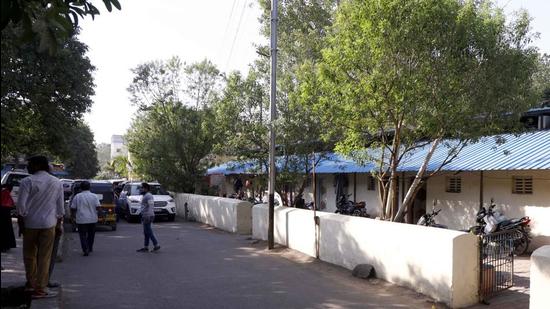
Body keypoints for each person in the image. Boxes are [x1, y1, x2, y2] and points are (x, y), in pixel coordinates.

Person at [17, 156, 64, 299]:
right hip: (49, 224)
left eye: (30, 164)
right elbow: (60, 207)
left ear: (37, 165)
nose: (28, 167)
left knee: (29, 256)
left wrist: (21, 225)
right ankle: (41, 288)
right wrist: (58, 225)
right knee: (45, 257)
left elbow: (21, 207)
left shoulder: (27, 181)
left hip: (30, 224)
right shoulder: (57, 183)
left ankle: (31, 283)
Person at [70, 181, 100, 256]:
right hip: (92, 219)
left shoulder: (77, 196)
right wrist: (101, 215)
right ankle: (89, 247)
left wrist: (72, 217)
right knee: (91, 235)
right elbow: (98, 207)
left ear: (81, 188)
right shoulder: (94, 196)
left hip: (81, 219)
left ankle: (85, 249)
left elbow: (73, 208)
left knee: (82, 235)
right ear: (90, 187)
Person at [136, 183, 160, 253]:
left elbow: (151, 206)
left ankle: (156, 244)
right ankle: (146, 247)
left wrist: (150, 215)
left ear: (146, 188)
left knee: (148, 231)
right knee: (146, 232)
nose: (140, 189)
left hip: (147, 216)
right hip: (145, 215)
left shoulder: (149, 195)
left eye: (142, 188)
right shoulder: (145, 195)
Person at [1, 184, 17, 252]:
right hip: (6, 212)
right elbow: (12, 204)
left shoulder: (3, 192)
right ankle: (6, 245)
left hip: (2, 210)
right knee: (7, 229)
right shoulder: (6, 193)